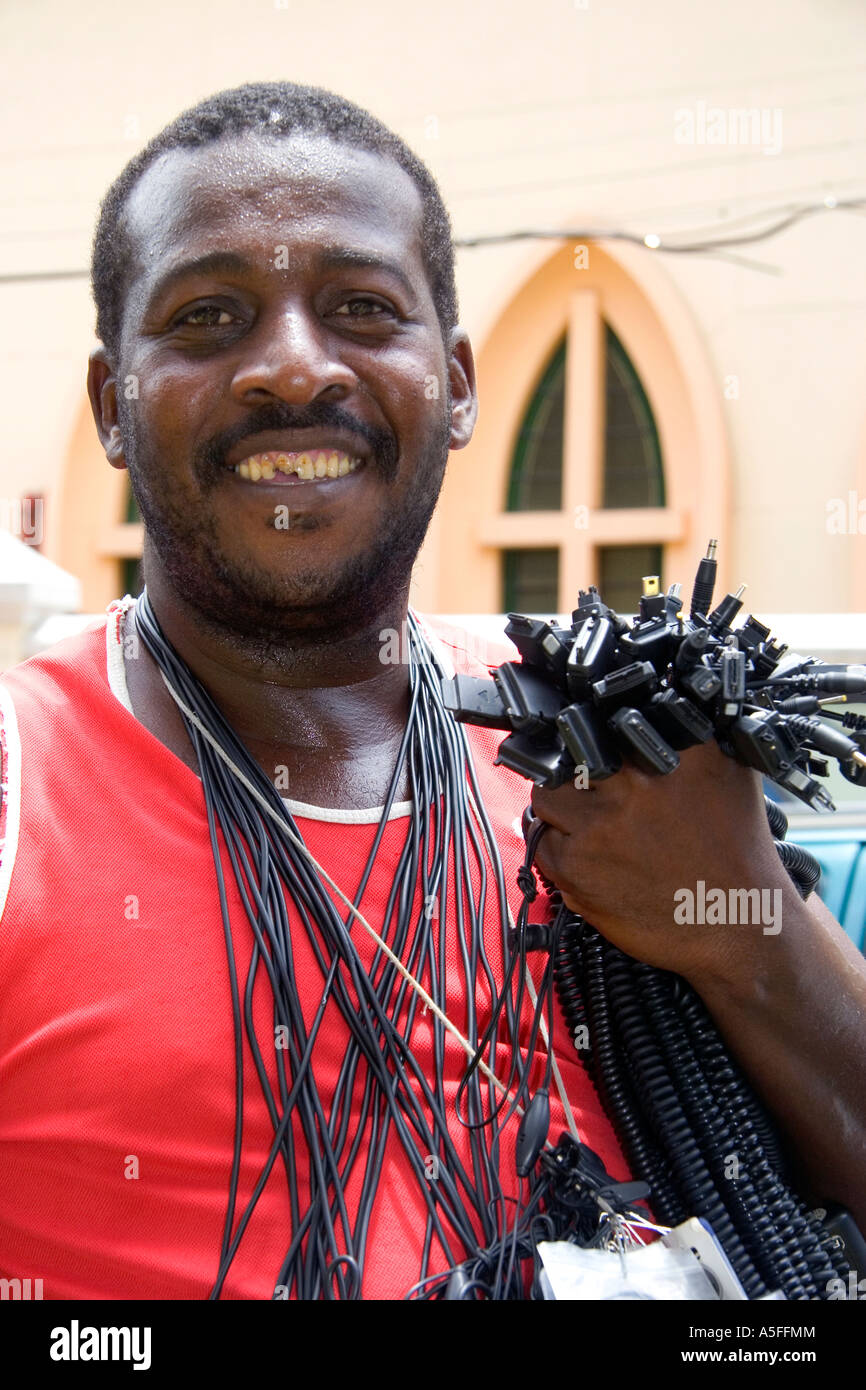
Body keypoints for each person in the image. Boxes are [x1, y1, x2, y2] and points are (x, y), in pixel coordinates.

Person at [0, 81, 863, 1301]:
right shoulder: (19, 784)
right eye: (207, 317)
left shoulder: (618, 755)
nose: (290, 366)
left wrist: (747, 931)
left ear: (455, 385)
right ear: (111, 407)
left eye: (360, 307)